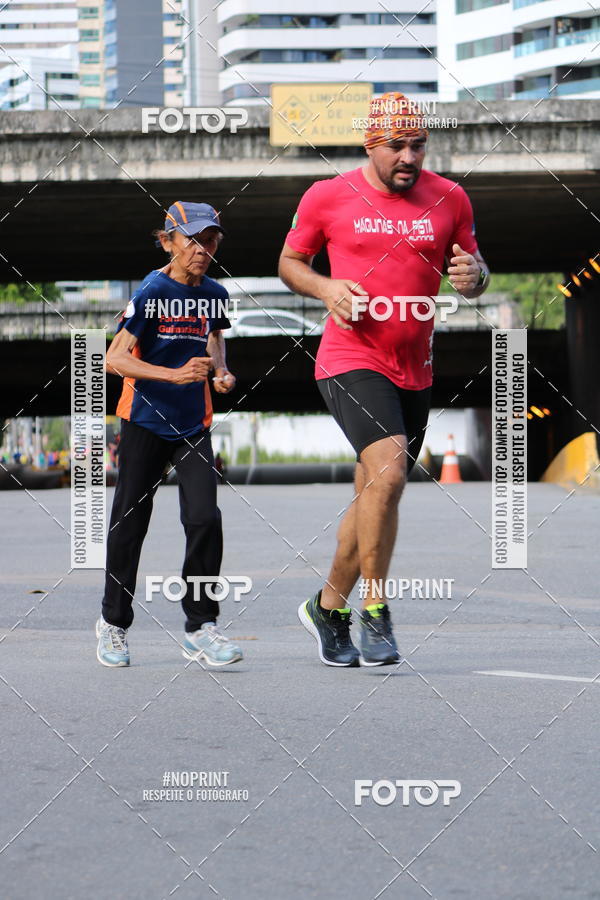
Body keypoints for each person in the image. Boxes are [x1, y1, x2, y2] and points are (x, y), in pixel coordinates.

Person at [279, 92, 490, 667]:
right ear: (370, 144)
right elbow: (289, 262)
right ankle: (375, 610)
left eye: (418, 145)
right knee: (392, 474)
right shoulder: (328, 196)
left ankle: (327, 607)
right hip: (350, 357)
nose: (409, 156)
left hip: (415, 366)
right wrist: (326, 288)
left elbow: (472, 274)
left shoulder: (450, 198)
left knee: (375, 492)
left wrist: (476, 276)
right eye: (396, 145)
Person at [97, 201, 241, 668]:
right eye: (193, 239)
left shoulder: (215, 293)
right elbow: (114, 359)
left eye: (211, 239)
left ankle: (201, 627)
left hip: (193, 425)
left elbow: (214, 339)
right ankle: (113, 624)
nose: (203, 249)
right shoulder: (153, 290)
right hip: (143, 419)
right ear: (168, 242)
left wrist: (219, 372)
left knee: (204, 518)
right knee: (130, 524)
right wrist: (175, 375)